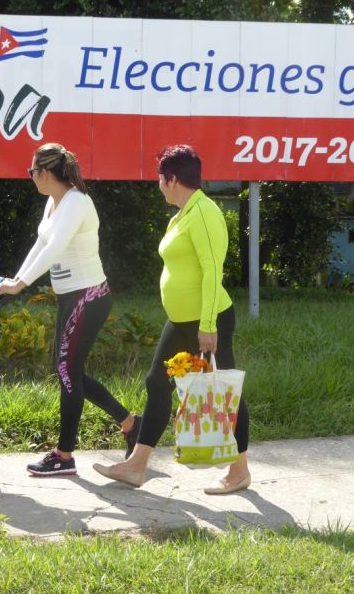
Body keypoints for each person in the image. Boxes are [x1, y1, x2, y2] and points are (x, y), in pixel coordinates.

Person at [93, 144, 251, 494]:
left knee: (226, 393)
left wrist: (208, 324)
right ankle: (136, 466)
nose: (158, 184)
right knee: (156, 382)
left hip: (209, 319)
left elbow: (213, 271)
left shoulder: (205, 213)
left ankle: (239, 470)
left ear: (172, 178)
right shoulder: (181, 214)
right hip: (181, 320)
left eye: (160, 178)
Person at [0, 142, 140, 476]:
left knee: (66, 370)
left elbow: (57, 246)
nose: (30, 177)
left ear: (45, 173)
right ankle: (131, 424)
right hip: (71, 297)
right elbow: (42, 244)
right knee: (67, 369)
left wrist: (22, 285)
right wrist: (17, 278)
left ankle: (64, 455)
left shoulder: (77, 202)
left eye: (32, 171)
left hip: (87, 296)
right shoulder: (55, 201)